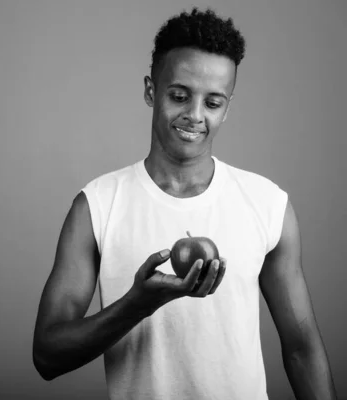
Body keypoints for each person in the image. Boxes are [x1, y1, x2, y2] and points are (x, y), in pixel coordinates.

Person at [32, 7, 337, 400]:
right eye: (179, 96)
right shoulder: (97, 206)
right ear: (150, 91)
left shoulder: (267, 204)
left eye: (212, 103)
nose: (194, 115)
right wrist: (135, 305)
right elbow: (47, 355)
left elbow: (302, 349)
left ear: (227, 108)